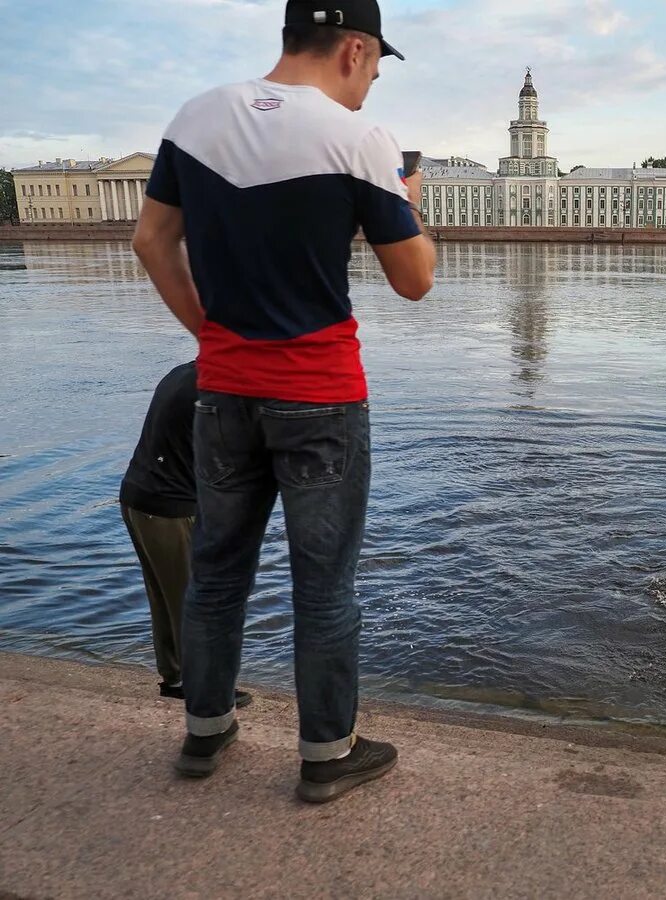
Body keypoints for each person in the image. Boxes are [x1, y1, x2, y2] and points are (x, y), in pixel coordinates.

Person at [133, 0, 437, 803]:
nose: (371, 80)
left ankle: (204, 734)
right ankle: (326, 756)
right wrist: (405, 199)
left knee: (217, 571)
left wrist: (213, 338)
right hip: (320, 396)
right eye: (374, 65)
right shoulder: (356, 138)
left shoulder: (195, 118)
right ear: (352, 48)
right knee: (325, 585)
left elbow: (151, 243)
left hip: (224, 392)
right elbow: (415, 280)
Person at [120, 361, 251, 708]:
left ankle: (176, 678)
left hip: (138, 497)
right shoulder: (219, 387)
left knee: (165, 598)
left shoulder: (183, 373)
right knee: (194, 602)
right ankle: (206, 690)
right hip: (167, 508)